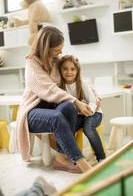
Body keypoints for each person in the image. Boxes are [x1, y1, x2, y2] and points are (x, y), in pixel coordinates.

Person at [16, 26, 92, 174]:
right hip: (33, 112)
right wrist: (76, 101)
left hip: (51, 108)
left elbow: (75, 78)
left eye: (61, 49)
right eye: (57, 49)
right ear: (45, 48)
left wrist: (91, 95)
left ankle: (61, 158)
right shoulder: (32, 63)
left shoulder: (57, 61)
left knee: (69, 107)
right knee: (58, 116)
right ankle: (82, 164)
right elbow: (49, 89)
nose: (60, 53)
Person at [58, 55, 106, 162]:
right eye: (65, 69)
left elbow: (93, 101)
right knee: (67, 129)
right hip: (78, 115)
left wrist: (89, 112)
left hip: (94, 113)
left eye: (72, 69)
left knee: (88, 128)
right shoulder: (60, 87)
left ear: (77, 70)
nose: (68, 72)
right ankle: (75, 158)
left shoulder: (83, 83)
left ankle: (101, 157)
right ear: (60, 70)